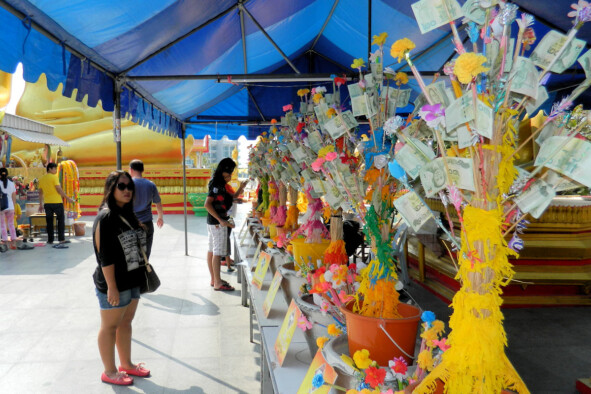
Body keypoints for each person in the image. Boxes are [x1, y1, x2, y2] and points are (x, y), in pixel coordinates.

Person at [92, 170, 150, 386]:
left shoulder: (128, 213)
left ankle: (127, 364)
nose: (127, 190)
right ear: (111, 189)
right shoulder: (106, 217)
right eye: (122, 186)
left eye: (130, 187)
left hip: (132, 278)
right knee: (109, 326)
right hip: (113, 281)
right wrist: (111, 287)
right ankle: (109, 370)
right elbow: (104, 256)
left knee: (126, 322)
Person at [204, 158, 237, 291]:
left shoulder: (217, 182)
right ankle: (217, 282)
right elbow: (207, 204)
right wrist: (221, 220)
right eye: (229, 174)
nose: (230, 176)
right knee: (217, 252)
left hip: (213, 222)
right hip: (217, 223)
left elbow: (226, 199)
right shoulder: (217, 184)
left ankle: (214, 279)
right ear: (224, 171)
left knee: (212, 250)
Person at [128, 159, 163, 258]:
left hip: (131, 224)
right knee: (145, 257)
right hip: (147, 223)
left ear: (131, 170)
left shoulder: (128, 185)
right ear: (142, 170)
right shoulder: (150, 184)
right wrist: (160, 217)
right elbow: (158, 203)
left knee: (132, 258)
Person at [38, 163, 74, 248]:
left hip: (47, 203)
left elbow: (40, 193)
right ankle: (61, 239)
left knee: (49, 222)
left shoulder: (42, 179)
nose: (55, 170)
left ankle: (50, 240)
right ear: (50, 169)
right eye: (54, 169)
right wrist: (67, 198)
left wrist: (40, 204)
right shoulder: (54, 177)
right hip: (57, 202)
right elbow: (58, 189)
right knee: (60, 221)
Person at [221, 176, 248, 273]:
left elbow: (233, 196)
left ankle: (225, 258)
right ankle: (225, 260)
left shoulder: (226, 186)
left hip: (228, 215)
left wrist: (241, 188)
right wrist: (236, 198)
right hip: (225, 216)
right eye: (227, 175)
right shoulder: (222, 187)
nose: (230, 177)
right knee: (225, 240)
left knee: (226, 238)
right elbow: (230, 198)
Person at [0, 168, 17, 250]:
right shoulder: (11, 183)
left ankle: (6, 242)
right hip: (10, 207)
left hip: (1, 207)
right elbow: (14, 197)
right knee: (11, 224)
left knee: (2, 225)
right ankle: (13, 242)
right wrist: (13, 207)